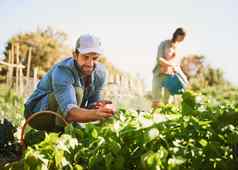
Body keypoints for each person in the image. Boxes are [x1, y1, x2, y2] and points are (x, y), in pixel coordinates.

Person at [24, 34, 116, 131]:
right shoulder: (62, 71)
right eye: (85, 57)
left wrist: (99, 107)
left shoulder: (100, 73)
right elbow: (70, 112)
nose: (90, 64)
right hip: (36, 113)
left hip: (67, 114)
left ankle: (67, 132)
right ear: (75, 55)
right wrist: (96, 114)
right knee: (77, 91)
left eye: (94, 58)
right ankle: (60, 134)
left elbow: (91, 106)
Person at [152, 28, 186, 108]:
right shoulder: (164, 44)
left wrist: (183, 78)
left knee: (167, 103)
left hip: (170, 76)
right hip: (159, 74)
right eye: (182, 37)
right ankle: (153, 118)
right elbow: (159, 59)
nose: (182, 40)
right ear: (177, 35)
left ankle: (165, 119)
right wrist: (171, 65)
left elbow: (177, 65)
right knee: (156, 100)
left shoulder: (177, 48)